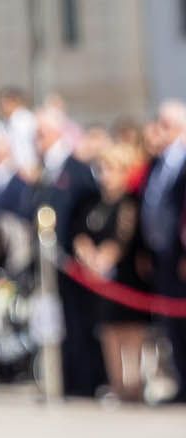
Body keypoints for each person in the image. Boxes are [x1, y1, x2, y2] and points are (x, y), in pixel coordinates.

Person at [32, 105, 105, 399]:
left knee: (79, 321)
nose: (38, 140)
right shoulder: (46, 170)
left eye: (42, 134)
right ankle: (65, 378)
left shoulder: (75, 168)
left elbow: (87, 209)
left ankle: (87, 380)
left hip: (70, 261)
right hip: (48, 263)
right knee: (57, 322)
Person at [77, 142, 149, 402]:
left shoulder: (129, 203)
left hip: (127, 275)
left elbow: (123, 237)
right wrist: (88, 255)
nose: (105, 174)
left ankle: (134, 384)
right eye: (102, 168)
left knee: (131, 330)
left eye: (111, 168)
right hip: (99, 279)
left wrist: (104, 258)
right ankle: (117, 383)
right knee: (109, 331)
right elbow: (81, 232)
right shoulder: (95, 202)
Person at [138, 99, 186, 403]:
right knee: (172, 325)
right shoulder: (157, 162)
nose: (161, 129)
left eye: (167, 124)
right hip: (161, 255)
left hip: (181, 256)